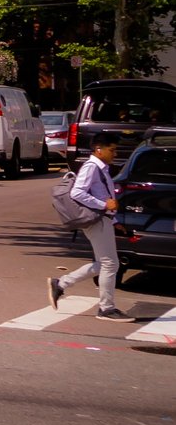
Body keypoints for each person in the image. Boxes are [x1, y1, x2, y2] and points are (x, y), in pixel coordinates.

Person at [49, 137, 131, 320]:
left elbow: (104, 197)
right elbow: (77, 193)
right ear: (99, 149)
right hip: (97, 220)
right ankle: (106, 308)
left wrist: (115, 220)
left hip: (104, 219)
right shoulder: (91, 167)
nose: (115, 154)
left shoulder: (100, 168)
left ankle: (61, 283)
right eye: (112, 149)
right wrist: (103, 205)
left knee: (104, 264)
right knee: (110, 264)